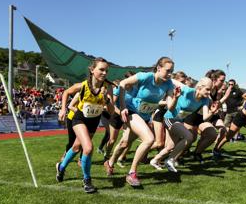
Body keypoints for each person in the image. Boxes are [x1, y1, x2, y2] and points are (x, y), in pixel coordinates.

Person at [107, 57, 175, 187]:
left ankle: (110, 162)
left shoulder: (169, 84)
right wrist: (122, 107)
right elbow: (122, 84)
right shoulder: (145, 76)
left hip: (144, 116)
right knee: (149, 139)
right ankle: (132, 173)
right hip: (132, 111)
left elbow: (170, 106)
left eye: (172, 71)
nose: (170, 74)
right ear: (158, 68)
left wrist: (175, 98)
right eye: (168, 71)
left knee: (125, 143)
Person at [56, 58, 114, 193]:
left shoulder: (108, 87)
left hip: (94, 121)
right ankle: (87, 180)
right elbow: (66, 92)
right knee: (88, 148)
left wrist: (106, 100)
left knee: (76, 147)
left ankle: (61, 167)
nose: (104, 73)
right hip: (79, 118)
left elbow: (110, 112)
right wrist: (63, 109)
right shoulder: (83, 85)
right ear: (92, 70)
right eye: (101, 69)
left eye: (106, 70)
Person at [151, 77, 215, 172]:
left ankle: (154, 160)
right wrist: (159, 78)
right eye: (208, 89)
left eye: (211, 90)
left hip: (179, 120)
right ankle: (170, 160)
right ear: (200, 87)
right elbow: (172, 80)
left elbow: (205, 118)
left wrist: (212, 112)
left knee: (170, 146)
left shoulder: (205, 100)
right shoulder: (187, 90)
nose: (209, 92)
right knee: (189, 136)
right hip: (169, 118)